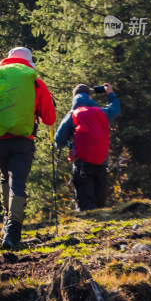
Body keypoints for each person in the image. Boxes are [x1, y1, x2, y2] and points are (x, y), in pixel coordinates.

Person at [0, 47, 56, 249]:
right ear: (29, 63)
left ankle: (6, 224)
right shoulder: (35, 81)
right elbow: (50, 119)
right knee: (17, 182)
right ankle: (12, 233)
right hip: (22, 140)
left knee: (5, 177)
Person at [55, 83, 120, 212]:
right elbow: (115, 109)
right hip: (101, 162)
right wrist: (111, 93)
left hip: (82, 164)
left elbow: (58, 140)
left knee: (86, 204)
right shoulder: (102, 112)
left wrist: (69, 144)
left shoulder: (73, 114)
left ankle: (88, 226)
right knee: (100, 203)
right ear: (90, 96)